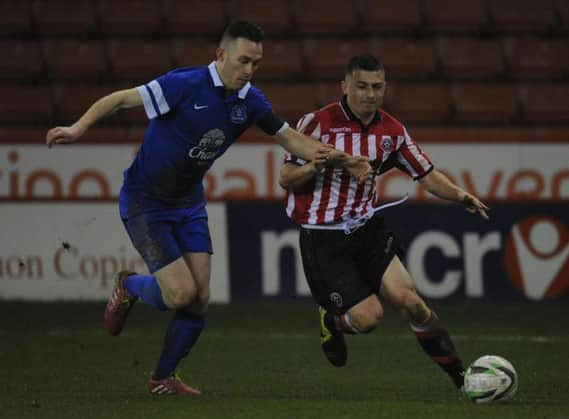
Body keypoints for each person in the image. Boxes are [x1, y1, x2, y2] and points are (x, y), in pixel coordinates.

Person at [45, 21, 371, 396]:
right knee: (181, 295)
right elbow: (119, 100)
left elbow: (292, 140)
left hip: (188, 203)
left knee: (199, 299)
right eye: (243, 61)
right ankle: (129, 285)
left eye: (256, 63)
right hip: (145, 203)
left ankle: (161, 379)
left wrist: (346, 160)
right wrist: (77, 128)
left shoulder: (250, 101)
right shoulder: (183, 85)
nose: (249, 70)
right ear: (221, 56)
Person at [279, 54, 489, 391]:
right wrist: (317, 165)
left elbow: (428, 175)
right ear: (345, 86)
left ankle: (462, 379)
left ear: (385, 88)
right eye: (361, 86)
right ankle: (331, 319)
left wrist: (461, 195)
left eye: (377, 87)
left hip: (367, 228)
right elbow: (286, 178)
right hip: (324, 238)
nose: (369, 94)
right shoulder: (316, 124)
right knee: (369, 318)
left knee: (412, 303)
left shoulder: (392, 130)